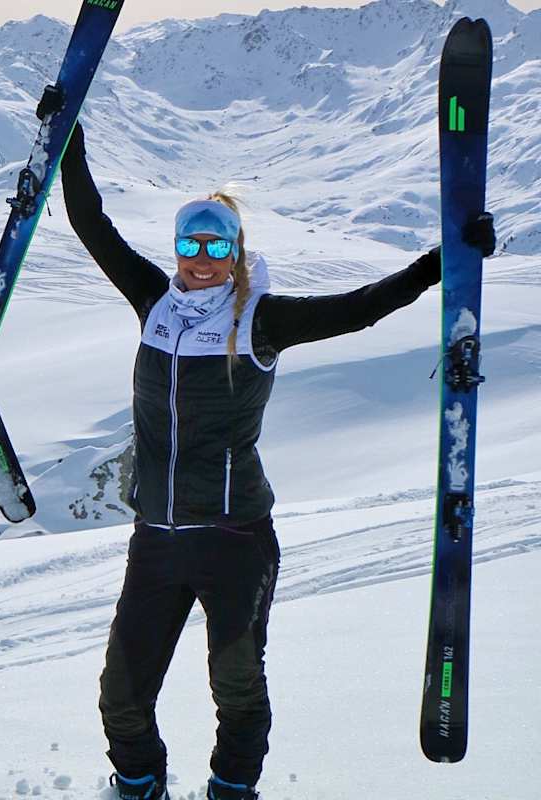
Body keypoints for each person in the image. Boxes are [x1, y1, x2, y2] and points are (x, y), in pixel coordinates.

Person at [48, 109, 495, 800]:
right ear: (176, 248)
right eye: (189, 243)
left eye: (215, 246)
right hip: (156, 538)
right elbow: (90, 223)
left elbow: (359, 307)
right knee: (121, 693)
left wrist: (443, 262)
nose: (201, 258)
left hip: (235, 538)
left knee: (236, 688)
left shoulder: (260, 319)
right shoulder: (153, 302)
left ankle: (232, 791)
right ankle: (137, 786)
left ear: (235, 252)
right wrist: (69, 135)